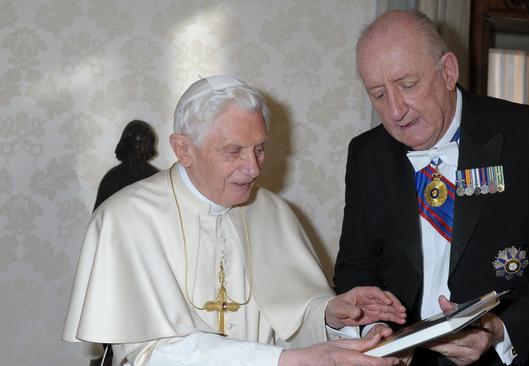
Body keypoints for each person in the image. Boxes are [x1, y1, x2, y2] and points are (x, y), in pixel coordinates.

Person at [64, 75, 407, 366]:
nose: (254, 168)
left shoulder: (272, 212)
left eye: (259, 148)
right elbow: (150, 353)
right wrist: (285, 361)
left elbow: (290, 319)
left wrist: (335, 315)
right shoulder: (126, 219)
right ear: (184, 149)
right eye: (234, 152)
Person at [334, 10, 529, 366]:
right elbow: (356, 265)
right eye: (379, 94)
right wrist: (374, 326)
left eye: (408, 85)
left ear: (448, 71)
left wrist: (501, 329)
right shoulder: (367, 153)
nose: (395, 111)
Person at [94, 119, 160, 210]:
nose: (139, 149)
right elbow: (99, 217)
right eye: (136, 143)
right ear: (126, 144)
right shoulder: (112, 178)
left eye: (144, 144)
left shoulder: (156, 179)